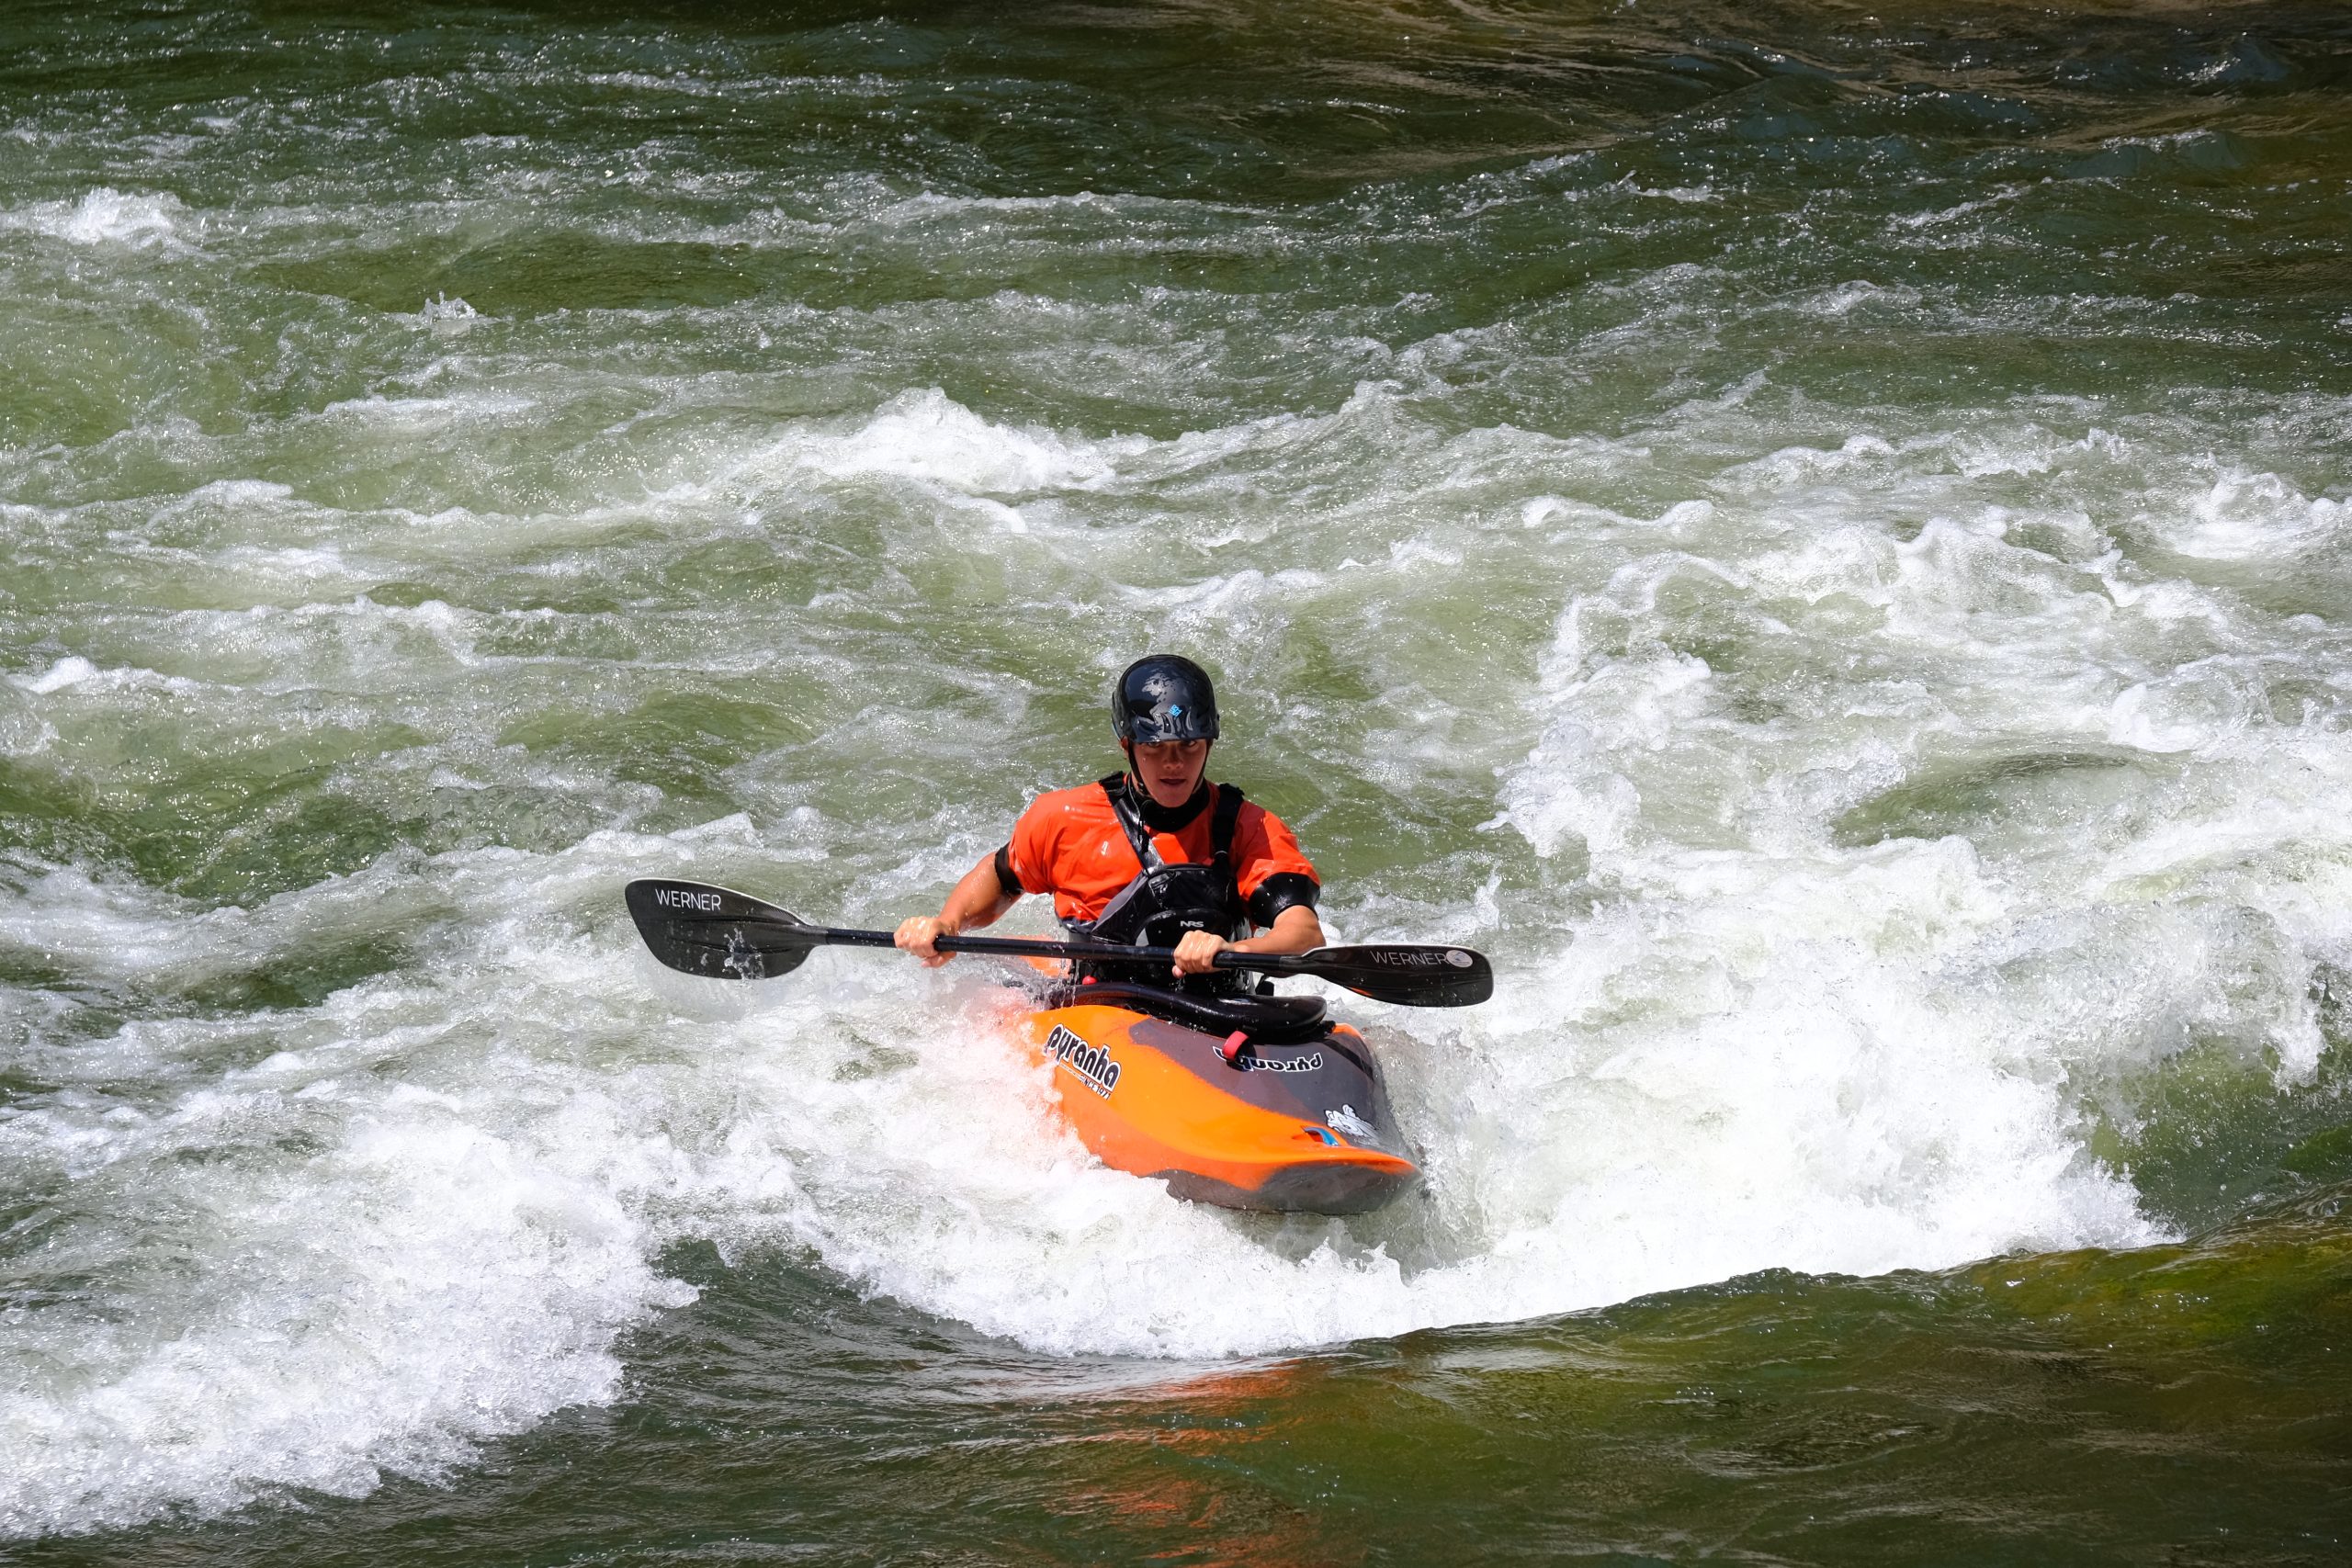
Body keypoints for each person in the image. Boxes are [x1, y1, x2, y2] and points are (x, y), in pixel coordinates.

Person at [894, 654, 1325, 990]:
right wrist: (949, 924)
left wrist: (1232, 949)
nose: (1174, 763)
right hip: (1098, 1010)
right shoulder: (1064, 819)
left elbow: (1303, 933)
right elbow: (1003, 877)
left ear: (1209, 743)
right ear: (1127, 745)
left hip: (1217, 1005)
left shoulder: (1251, 828)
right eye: (1155, 747)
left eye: (1189, 745)